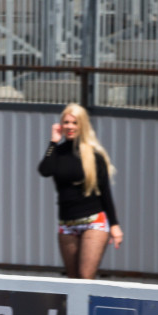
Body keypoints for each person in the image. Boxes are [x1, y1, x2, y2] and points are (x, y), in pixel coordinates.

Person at [37, 103, 123, 280]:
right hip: (67, 224)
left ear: (82, 125)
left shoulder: (93, 155)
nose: (70, 126)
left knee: (85, 277)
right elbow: (45, 170)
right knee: (73, 280)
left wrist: (114, 225)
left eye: (74, 123)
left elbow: (105, 191)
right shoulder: (57, 152)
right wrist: (53, 141)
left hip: (94, 222)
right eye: (66, 122)